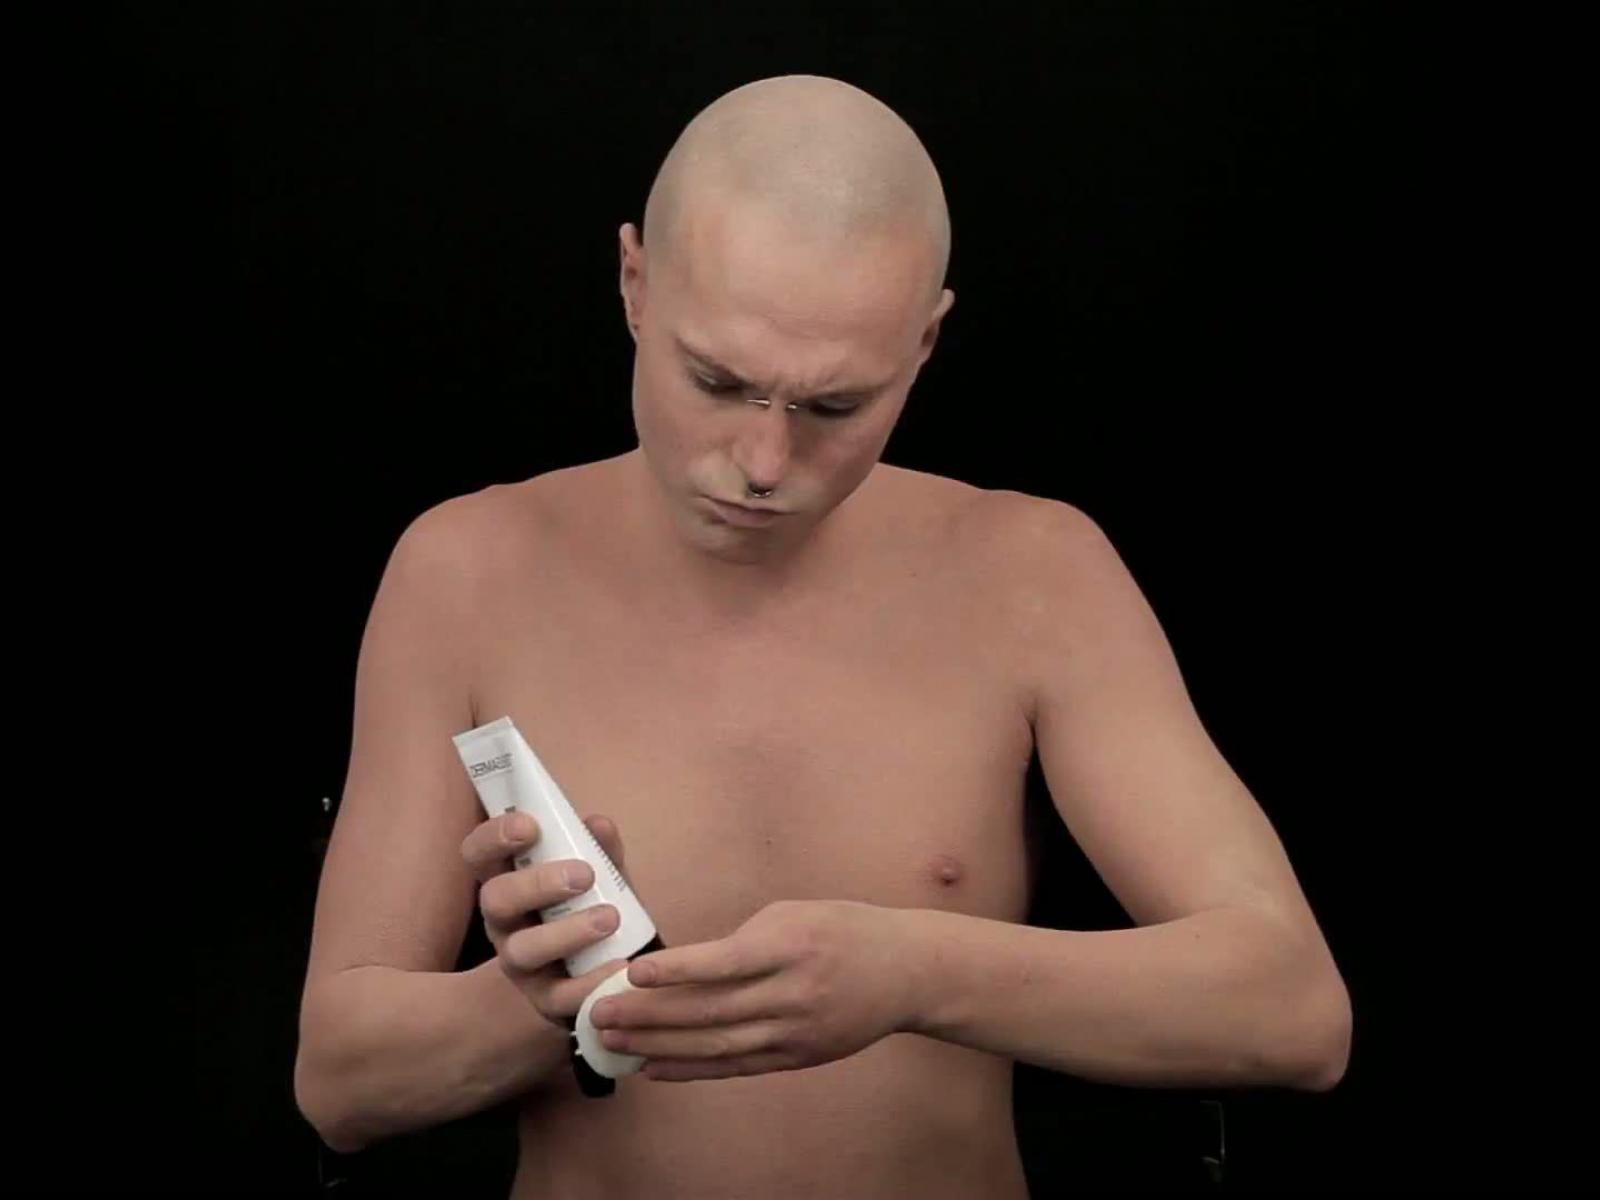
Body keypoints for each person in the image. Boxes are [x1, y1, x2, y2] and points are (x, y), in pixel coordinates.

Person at [294, 73, 1351, 1199]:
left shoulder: (1033, 574)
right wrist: (536, 1003)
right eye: (717, 382)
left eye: (835, 407)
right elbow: (340, 1084)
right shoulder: (468, 571)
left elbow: (1290, 1011)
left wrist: (915, 972)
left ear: (925, 342)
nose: (762, 463)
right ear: (635, 285)